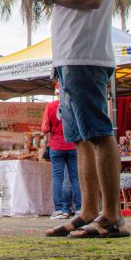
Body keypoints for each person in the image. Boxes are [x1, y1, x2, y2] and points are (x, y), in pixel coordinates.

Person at [9, 0, 126, 239]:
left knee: (98, 134)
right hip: (71, 58)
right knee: (80, 138)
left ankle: (112, 216)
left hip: (84, 55)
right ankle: (90, 210)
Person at [41, 83, 81, 219]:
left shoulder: (50, 106)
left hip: (56, 147)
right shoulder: (73, 104)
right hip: (72, 145)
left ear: (56, 92)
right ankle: (79, 208)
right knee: (75, 178)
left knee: (57, 178)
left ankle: (59, 209)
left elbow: (45, 129)